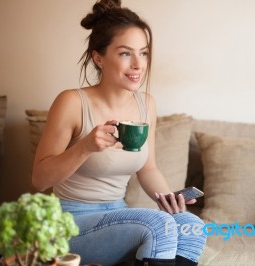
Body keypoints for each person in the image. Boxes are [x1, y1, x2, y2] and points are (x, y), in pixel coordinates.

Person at [31, 0, 207, 265]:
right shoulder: (71, 102)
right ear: (98, 57)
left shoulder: (146, 103)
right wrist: (85, 147)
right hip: (69, 222)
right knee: (159, 225)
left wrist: (169, 199)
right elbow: (39, 180)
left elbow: (148, 169)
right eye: (126, 53)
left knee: (192, 227)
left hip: (117, 214)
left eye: (144, 53)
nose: (138, 64)